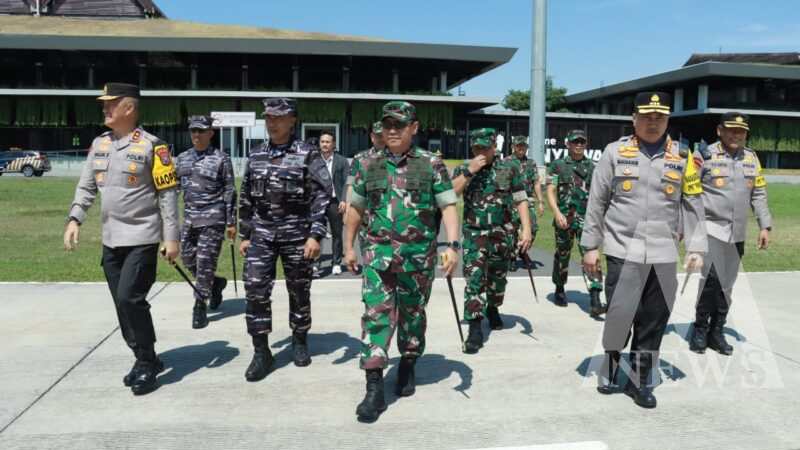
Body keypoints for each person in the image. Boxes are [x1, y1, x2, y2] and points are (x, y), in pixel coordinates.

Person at [581, 91, 706, 409]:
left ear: (667, 120)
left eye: (660, 118)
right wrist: (590, 246)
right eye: (647, 117)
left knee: (654, 319)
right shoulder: (614, 152)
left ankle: (639, 382)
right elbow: (597, 202)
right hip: (623, 250)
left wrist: (696, 247)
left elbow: (692, 204)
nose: (653, 123)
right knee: (621, 314)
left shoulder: (683, 156)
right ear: (633, 118)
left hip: (663, 253)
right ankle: (610, 366)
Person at [344, 101, 460, 423]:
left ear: (414, 127)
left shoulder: (431, 164)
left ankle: (408, 361)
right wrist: (348, 248)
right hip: (377, 258)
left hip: (417, 259)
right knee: (376, 318)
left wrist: (452, 245)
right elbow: (354, 209)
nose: (391, 130)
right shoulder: (365, 163)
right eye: (387, 124)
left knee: (413, 315)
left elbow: (448, 206)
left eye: (399, 124)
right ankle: (373, 388)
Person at [63, 82, 180, 395]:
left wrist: (172, 238)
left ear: (129, 108)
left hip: (142, 237)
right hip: (111, 239)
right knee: (122, 304)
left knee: (130, 298)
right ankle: (146, 356)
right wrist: (75, 218)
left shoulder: (154, 147)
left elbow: (168, 195)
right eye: (104, 103)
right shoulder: (99, 144)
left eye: (111, 103)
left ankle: (145, 362)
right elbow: (86, 187)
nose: (105, 108)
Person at [238, 97, 332, 381]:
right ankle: (261, 351)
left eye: (278, 117)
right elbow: (245, 197)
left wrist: (316, 235)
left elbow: (321, 195)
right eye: (268, 117)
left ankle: (300, 339)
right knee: (254, 289)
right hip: (262, 234)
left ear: (292, 120)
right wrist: (245, 233)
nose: (272, 122)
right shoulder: (255, 154)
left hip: (297, 234)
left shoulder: (308, 153)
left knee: (299, 290)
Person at [689, 112, 772, 355]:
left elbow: (758, 193)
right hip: (710, 230)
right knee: (712, 281)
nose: (736, 135)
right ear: (719, 130)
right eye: (731, 129)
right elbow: (691, 193)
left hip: (737, 233)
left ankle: (717, 330)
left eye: (741, 131)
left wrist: (764, 226)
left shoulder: (751, 158)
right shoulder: (704, 155)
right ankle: (700, 329)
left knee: (727, 285)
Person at [452, 128, 532, 354]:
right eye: (476, 148)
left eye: (485, 148)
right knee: (474, 280)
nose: (481, 152)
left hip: (502, 234)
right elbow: (451, 195)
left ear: (494, 147)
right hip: (474, 234)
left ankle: (493, 307)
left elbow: (520, 199)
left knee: (497, 281)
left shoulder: (509, 168)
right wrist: (470, 172)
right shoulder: (462, 169)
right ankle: (475, 328)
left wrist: (526, 229)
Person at [175, 115, 236, 329]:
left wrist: (231, 222)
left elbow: (229, 190)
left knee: (205, 263)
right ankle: (216, 283)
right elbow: (174, 188)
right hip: (190, 218)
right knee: (187, 259)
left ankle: (199, 304)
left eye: (201, 131)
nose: (196, 135)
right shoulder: (182, 158)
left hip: (213, 218)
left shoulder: (221, 159)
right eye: (193, 131)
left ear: (211, 133)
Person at [546, 129, 604, 315]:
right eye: (575, 142)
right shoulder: (557, 165)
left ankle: (595, 297)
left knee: (591, 255)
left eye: (582, 142)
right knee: (562, 255)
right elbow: (550, 190)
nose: (579, 145)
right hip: (564, 218)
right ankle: (560, 288)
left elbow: (599, 193)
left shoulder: (594, 167)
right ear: (568, 144)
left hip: (587, 220)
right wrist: (556, 213)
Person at [317, 131, 349, 276]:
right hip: (317, 202)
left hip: (335, 202)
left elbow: (347, 183)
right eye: (322, 141)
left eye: (328, 142)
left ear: (334, 144)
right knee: (316, 233)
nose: (325, 144)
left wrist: (344, 200)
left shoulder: (342, 161)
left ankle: (336, 263)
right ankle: (315, 262)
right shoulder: (314, 160)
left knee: (337, 233)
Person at [509, 135, 544, 256]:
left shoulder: (531, 163)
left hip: (528, 200)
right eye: (518, 146)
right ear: (513, 147)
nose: (521, 148)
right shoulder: (506, 162)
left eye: (523, 146)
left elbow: (536, 182)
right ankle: (512, 255)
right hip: (511, 200)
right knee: (511, 228)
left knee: (533, 227)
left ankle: (522, 250)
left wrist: (540, 201)